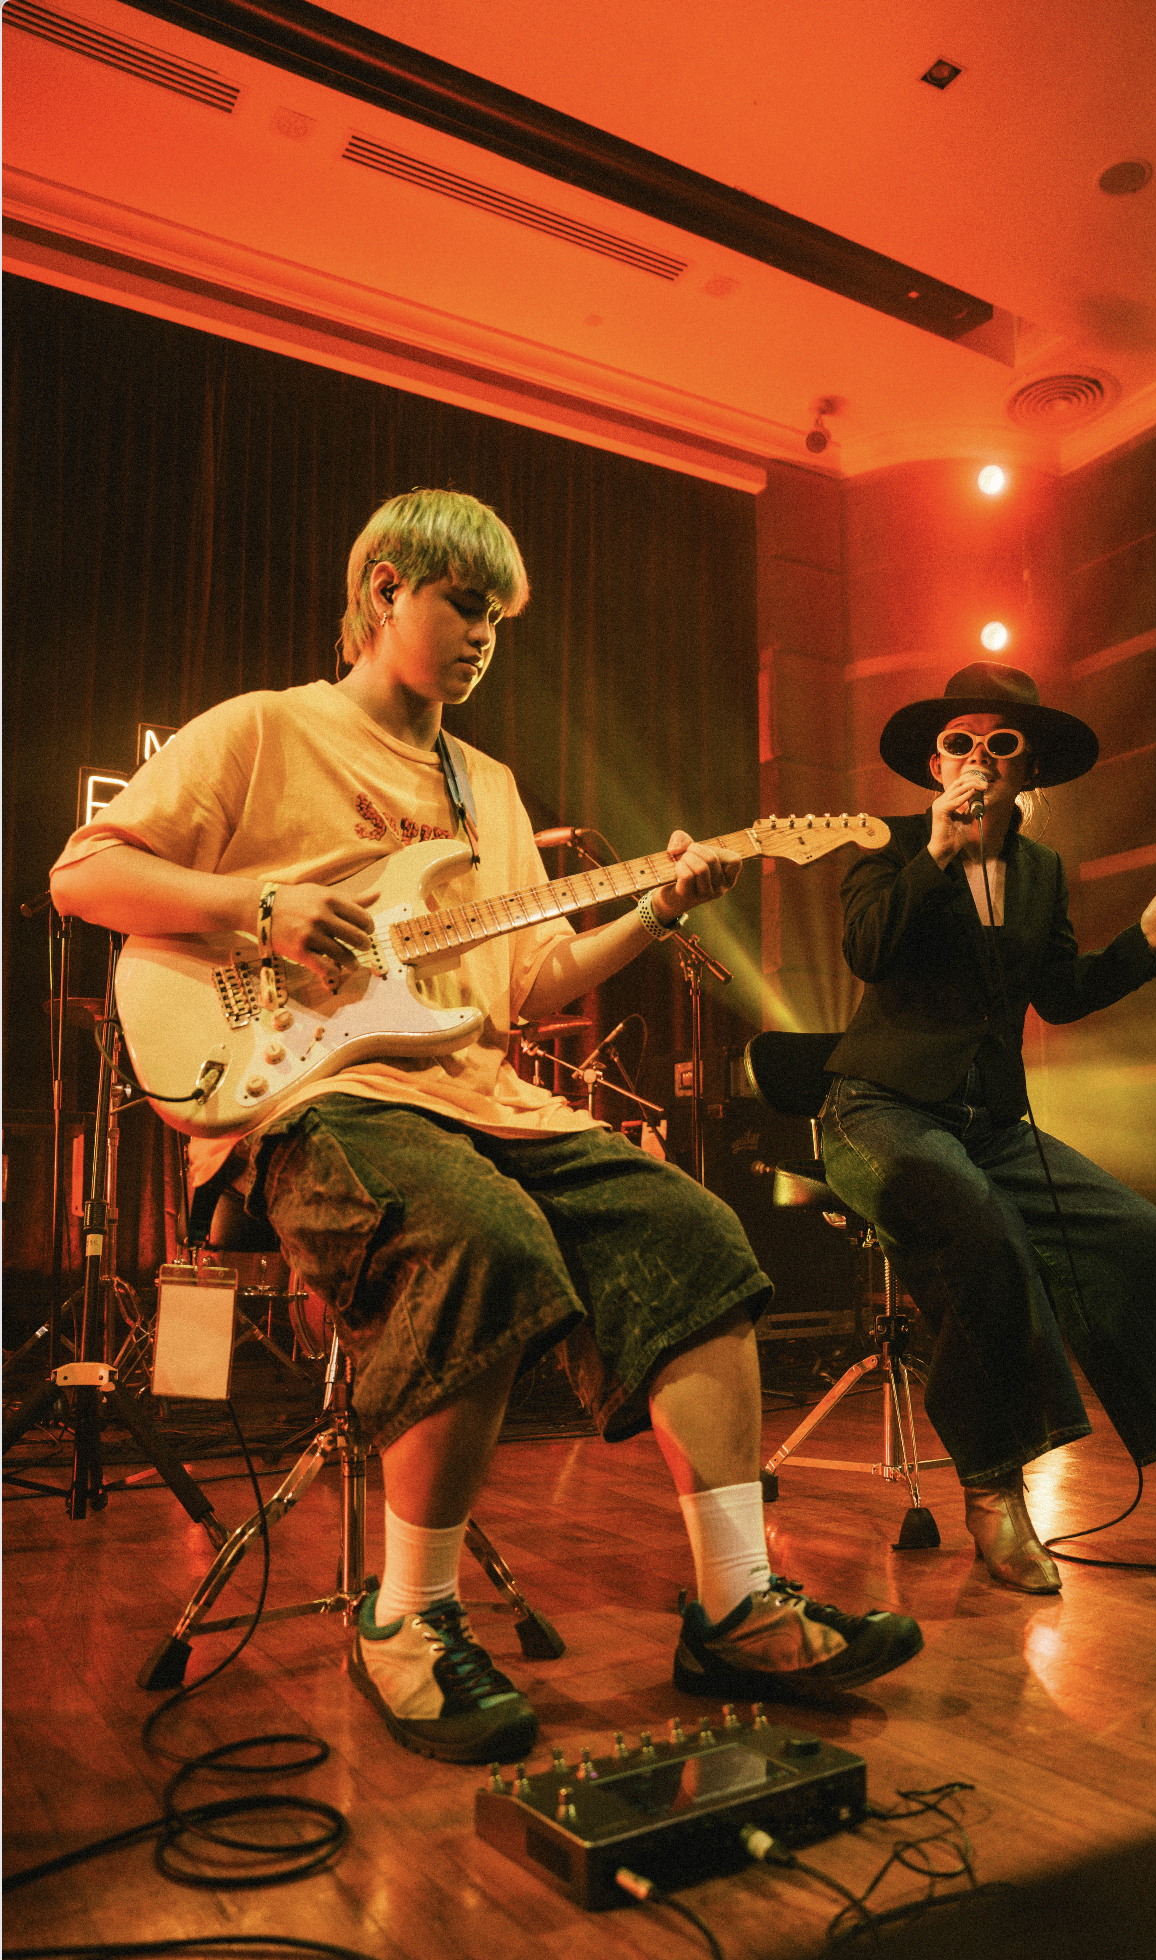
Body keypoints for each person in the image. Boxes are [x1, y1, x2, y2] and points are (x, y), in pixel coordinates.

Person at [50, 488, 921, 1762]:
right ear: (385, 587)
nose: (483, 638)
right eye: (465, 605)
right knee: (478, 1237)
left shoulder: (489, 789)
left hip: (481, 1100)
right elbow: (83, 872)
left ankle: (737, 1604)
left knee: (693, 1235)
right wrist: (261, 907)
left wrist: (656, 909)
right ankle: (408, 1618)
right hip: (309, 1099)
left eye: (499, 620)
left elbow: (526, 983)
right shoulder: (263, 728)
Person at [821, 661, 1156, 1592]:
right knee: (985, 1238)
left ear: (1031, 769)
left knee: (1148, 1239)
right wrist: (934, 853)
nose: (978, 758)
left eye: (1001, 743)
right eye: (959, 743)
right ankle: (993, 1490)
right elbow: (867, 949)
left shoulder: (1040, 871)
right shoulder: (886, 845)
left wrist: (1142, 946)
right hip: (878, 1110)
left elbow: (1056, 994)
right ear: (936, 765)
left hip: (988, 1126)